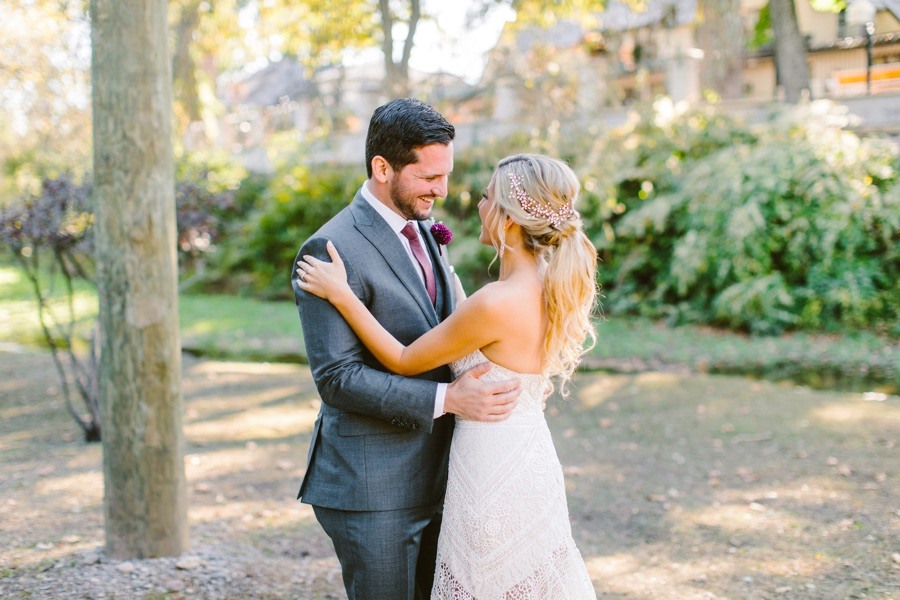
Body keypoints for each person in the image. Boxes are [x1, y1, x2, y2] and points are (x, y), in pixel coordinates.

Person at [297, 153, 599, 599]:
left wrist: (344, 295)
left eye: (486, 196)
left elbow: (403, 359)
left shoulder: (495, 302)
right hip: (528, 455)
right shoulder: (551, 286)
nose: (477, 204)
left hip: (490, 461)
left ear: (508, 217)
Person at [290, 98, 523, 600]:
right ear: (382, 168)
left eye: (446, 175)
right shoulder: (329, 250)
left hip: (444, 475)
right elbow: (337, 378)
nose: (442, 190)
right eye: (429, 177)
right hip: (374, 486)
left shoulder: (422, 230)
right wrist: (448, 400)